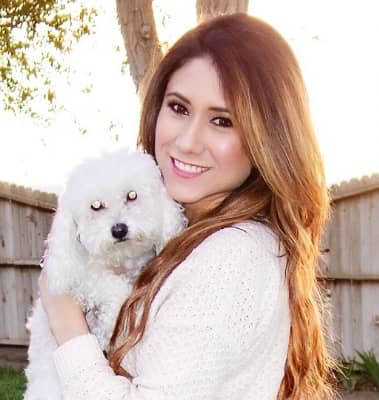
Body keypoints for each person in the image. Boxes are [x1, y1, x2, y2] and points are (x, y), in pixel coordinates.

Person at [39, 13, 335, 400]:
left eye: (222, 121)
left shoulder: (231, 256)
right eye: (179, 108)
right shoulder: (192, 240)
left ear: (266, 139)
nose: (188, 142)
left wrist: (64, 317)